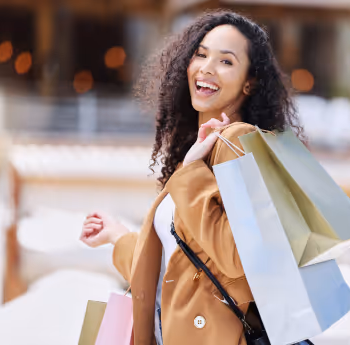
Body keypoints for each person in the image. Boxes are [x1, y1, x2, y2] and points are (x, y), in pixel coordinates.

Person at [80, 10, 303, 345]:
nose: (207, 68)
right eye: (200, 54)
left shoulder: (239, 141)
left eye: (226, 61)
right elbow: (175, 271)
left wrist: (190, 173)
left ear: (250, 81)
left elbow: (238, 256)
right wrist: (118, 236)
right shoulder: (203, 151)